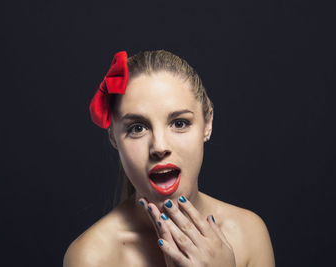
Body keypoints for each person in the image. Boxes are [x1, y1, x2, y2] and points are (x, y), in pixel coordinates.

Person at [63, 50, 275, 267]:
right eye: (138, 128)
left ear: (207, 123)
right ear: (114, 138)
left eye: (179, 123)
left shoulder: (248, 233)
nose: (160, 147)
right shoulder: (91, 256)